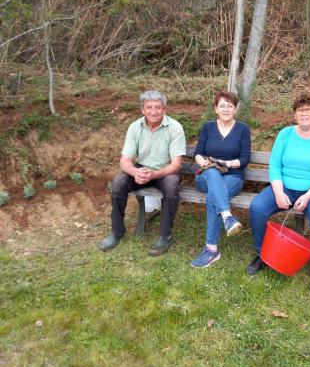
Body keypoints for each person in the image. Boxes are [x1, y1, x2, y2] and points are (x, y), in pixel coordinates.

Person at [247, 91, 310, 294]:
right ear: (294, 115)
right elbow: (275, 166)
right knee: (257, 208)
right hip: (285, 187)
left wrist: (308, 196)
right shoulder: (286, 134)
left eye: (308, 109)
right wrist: (279, 192)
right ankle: (262, 254)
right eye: (300, 110)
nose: (304, 113)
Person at [98, 90, 186, 256]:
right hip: (141, 169)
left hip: (165, 171)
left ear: (164, 109)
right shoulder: (135, 127)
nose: (154, 111)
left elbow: (176, 165)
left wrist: (154, 175)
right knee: (118, 182)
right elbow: (124, 161)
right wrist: (134, 171)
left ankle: (164, 236)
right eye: (149, 107)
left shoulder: (175, 128)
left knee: (172, 185)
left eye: (158, 107)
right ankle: (117, 232)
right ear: (142, 110)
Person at [191, 91, 251, 268]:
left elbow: (245, 159)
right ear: (216, 109)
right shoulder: (208, 128)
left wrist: (227, 163)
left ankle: (211, 249)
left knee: (213, 198)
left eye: (229, 105)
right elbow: (198, 153)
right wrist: (204, 162)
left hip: (232, 177)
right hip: (206, 177)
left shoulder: (242, 129)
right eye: (222, 106)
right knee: (211, 172)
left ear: (235, 108)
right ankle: (227, 216)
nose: (226, 109)